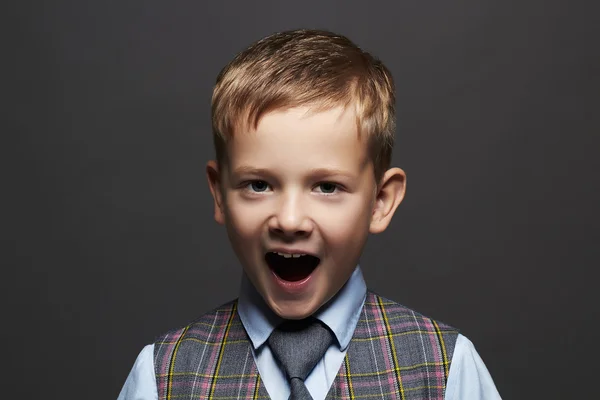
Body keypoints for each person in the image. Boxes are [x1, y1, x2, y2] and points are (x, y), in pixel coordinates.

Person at [117, 29, 501, 400]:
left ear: (380, 201)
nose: (289, 220)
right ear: (219, 194)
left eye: (327, 187)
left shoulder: (445, 370)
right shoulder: (163, 377)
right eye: (259, 185)